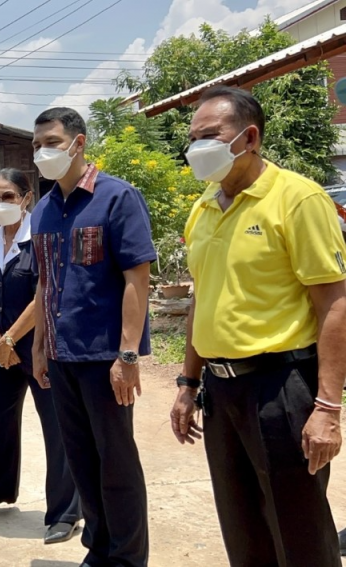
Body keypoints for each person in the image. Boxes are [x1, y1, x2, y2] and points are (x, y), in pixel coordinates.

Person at [170, 86, 346, 567]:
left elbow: (334, 303)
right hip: (220, 390)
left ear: (249, 138)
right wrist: (187, 383)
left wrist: (328, 407)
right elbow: (202, 298)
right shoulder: (205, 206)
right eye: (193, 138)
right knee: (243, 527)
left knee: (299, 531)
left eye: (210, 135)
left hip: (280, 388)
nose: (197, 147)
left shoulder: (297, 199)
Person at [29, 107, 155, 567]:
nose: (43, 152)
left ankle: (127, 559)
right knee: (82, 462)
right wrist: (39, 346)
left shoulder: (117, 197)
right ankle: (98, 551)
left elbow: (136, 279)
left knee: (116, 462)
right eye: (37, 145)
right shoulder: (42, 211)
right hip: (61, 356)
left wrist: (128, 355)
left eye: (52, 142)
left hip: (105, 358)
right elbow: (45, 282)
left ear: (78, 143)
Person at [0, 169, 82, 544]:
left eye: (7, 196)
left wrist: (10, 338)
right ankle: (0, 488)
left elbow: (44, 293)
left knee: (57, 428)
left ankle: (65, 513)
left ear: (25, 198)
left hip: (41, 350)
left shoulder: (40, 238)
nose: (0, 203)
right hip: (1, 353)